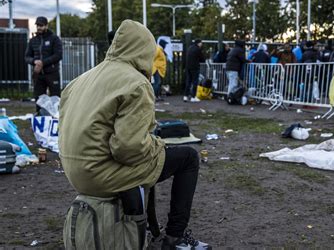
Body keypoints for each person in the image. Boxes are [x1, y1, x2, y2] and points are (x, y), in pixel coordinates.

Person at [59, 20, 210, 249]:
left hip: (75, 171)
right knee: (188, 158)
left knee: (152, 161)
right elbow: (128, 149)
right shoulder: (136, 83)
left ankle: (149, 229)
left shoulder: (81, 79)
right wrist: (157, 146)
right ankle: (175, 238)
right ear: (144, 51)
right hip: (101, 173)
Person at [25, 16, 63, 112]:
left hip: (52, 73)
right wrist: (34, 61)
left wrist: (43, 63)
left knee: (55, 97)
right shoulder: (33, 40)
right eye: (37, 25)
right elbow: (27, 57)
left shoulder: (54, 39)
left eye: (41, 25)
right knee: (39, 98)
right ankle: (40, 117)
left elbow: (58, 55)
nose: (39, 27)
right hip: (38, 75)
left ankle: (57, 119)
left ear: (46, 26)